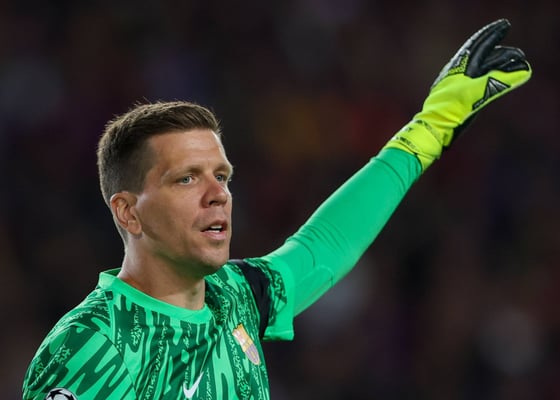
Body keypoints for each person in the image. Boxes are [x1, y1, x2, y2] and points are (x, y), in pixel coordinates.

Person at [23, 19, 531, 400]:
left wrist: (431, 129)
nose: (217, 194)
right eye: (186, 178)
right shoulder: (93, 344)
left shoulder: (236, 296)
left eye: (222, 176)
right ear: (128, 213)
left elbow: (322, 248)